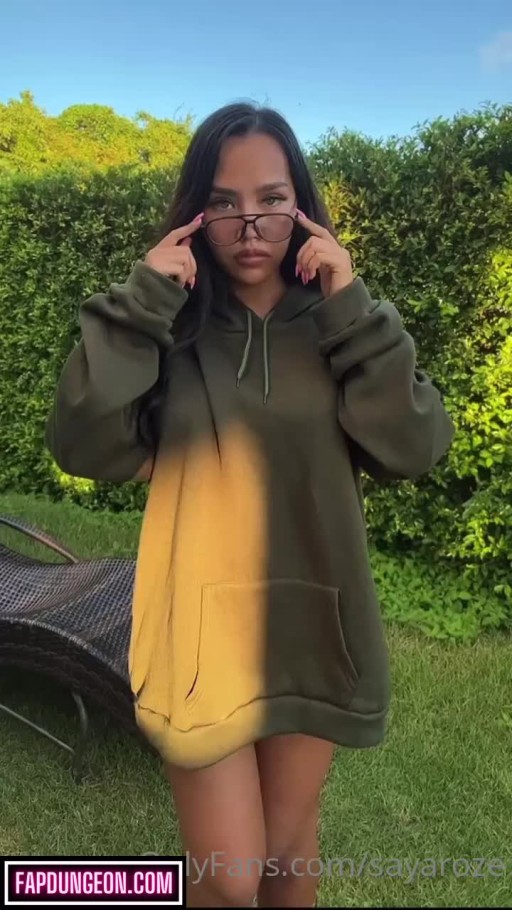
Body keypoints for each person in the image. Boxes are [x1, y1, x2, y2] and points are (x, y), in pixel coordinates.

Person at [45, 101, 455, 908]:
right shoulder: (166, 321)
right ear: (197, 214)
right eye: (224, 203)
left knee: (288, 853)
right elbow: (84, 447)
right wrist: (140, 304)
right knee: (230, 877)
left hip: (313, 623)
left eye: (271, 199)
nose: (250, 225)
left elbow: (414, 447)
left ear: (301, 205)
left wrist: (350, 304)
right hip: (198, 634)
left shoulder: (339, 322)